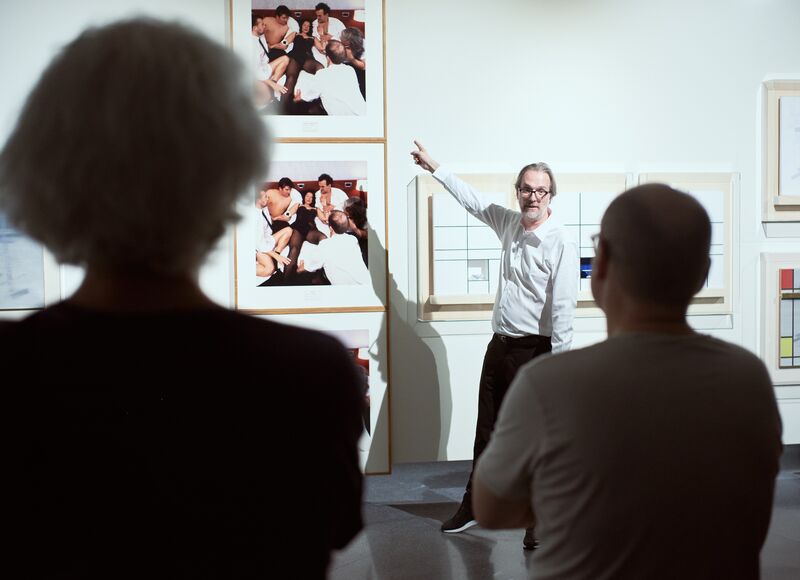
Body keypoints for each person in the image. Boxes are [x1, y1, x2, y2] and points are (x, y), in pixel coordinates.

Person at [0, 18, 364, 578]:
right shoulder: (310, 372)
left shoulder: (14, 372)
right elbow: (332, 529)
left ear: (49, 171)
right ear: (227, 172)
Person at [473, 184, 783, 580]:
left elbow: (492, 508)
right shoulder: (748, 378)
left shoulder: (550, 383)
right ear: (703, 274)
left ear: (601, 267)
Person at [411, 140, 579, 549]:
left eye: (540, 190)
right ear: (518, 192)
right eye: (526, 189)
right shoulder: (509, 223)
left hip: (536, 353)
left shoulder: (560, 242)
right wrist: (435, 167)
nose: (533, 197)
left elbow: (565, 311)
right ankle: (475, 505)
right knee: (486, 431)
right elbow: (472, 200)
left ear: (551, 195)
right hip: (499, 346)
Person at [294, 40, 366, 116]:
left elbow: (310, 95)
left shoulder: (322, 75)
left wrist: (299, 98)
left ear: (328, 57)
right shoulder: (350, 70)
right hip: (363, 114)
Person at [299, 209, 370, 285]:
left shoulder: (324, 246)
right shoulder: (352, 239)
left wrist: (302, 265)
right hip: (367, 284)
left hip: (346, 290)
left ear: (331, 228)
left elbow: (301, 269)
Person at [251, 15, 289, 107]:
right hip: (256, 73)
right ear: (255, 28)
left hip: (264, 67)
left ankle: (273, 82)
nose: (265, 26)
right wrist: (272, 84)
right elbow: (253, 71)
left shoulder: (261, 37)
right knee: (266, 96)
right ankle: (272, 86)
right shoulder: (251, 44)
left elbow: (266, 52)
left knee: (285, 58)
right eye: (262, 24)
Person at [311, 2, 345, 67]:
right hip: (319, 51)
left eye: (320, 16)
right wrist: (320, 47)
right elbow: (313, 38)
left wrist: (331, 37)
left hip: (335, 50)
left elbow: (345, 37)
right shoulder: (314, 24)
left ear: (326, 14)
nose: (317, 18)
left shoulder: (337, 22)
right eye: (317, 15)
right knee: (321, 64)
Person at [340, 26, 366, 99]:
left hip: (359, 67)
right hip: (345, 65)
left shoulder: (364, 44)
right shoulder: (342, 41)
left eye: (346, 45)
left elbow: (364, 67)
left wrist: (352, 59)